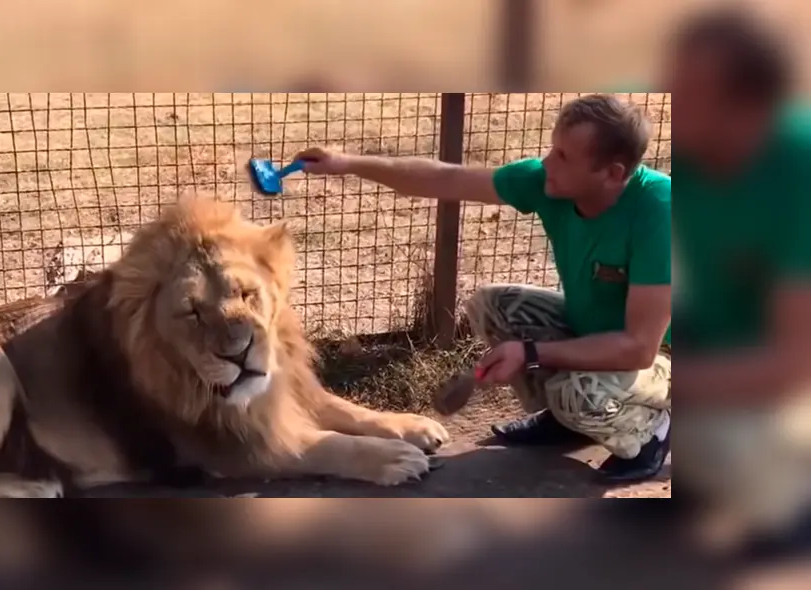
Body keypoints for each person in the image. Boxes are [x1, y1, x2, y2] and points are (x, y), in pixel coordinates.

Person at [293, 92, 672, 484]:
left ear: (612, 173)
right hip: (600, 331)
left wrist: (529, 352)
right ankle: (568, 421)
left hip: (669, 352)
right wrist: (348, 163)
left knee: (581, 395)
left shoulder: (660, 210)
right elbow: (446, 178)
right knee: (494, 306)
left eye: (563, 156)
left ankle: (650, 434)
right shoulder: (550, 183)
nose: (546, 163)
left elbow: (639, 348)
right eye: (553, 148)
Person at [661, 7, 811, 563]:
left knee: (730, 449)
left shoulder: (799, 171)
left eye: (690, 88)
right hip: (721, 347)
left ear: (750, 110)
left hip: (784, 378)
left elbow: (794, 365)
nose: (668, 94)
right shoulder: (692, 142)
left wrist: (661, 385)